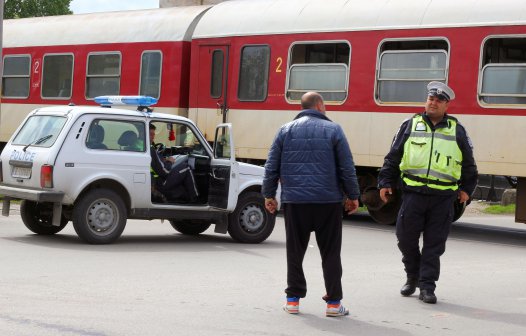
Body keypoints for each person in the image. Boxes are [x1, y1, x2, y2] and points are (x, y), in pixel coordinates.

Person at [378, 81, 478, 304]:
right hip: (413, 194)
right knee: (405, 239)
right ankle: (412, 276)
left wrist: (467, 190)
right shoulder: (409, 124)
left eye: (439, 100)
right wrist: (385, 181)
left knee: (434, 245)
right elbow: (393, 156)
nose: (433, 103)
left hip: (443, 198)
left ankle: (427, 286)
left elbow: (470, 164)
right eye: (431, 99)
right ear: (426, 101)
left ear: (446, 105)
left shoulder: (457, 130)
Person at [262, 91, 360, 317]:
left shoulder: (285, 130)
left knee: (294, 252)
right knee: (331, 253)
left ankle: (293, 300)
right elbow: (347, 167)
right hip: (328, 202)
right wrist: (353, 196)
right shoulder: (334, 130)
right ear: (319, 105)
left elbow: (271, 166)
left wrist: (269, 195)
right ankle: (334, 304)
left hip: (296, 202)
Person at [149, 123, 199, 203]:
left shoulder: (143, 148)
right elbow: (164, 171)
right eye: (151, 134)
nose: (153, 137)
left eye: (153, 134)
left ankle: (184, 199)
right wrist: (170, 162)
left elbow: (156, 165)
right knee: (187, 167)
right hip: (161, 181)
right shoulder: (150, 149)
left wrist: (164, 160)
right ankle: (195, 199)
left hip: (155, 180)